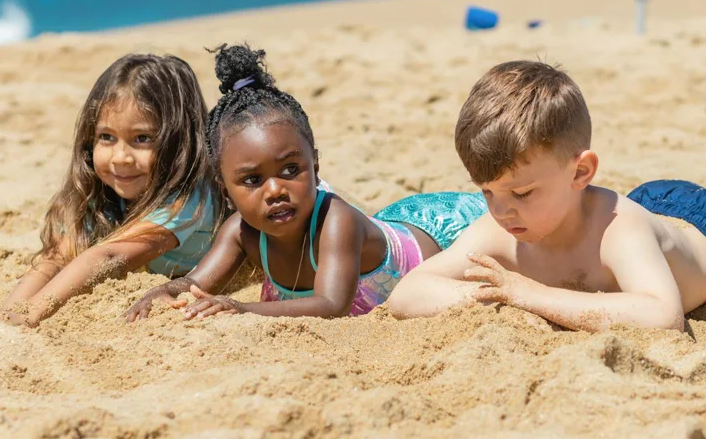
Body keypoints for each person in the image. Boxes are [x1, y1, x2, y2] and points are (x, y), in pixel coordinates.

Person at [387, 60, 706, 331]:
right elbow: (408, 294)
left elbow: (662, 317)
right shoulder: (498, 227)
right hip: (653, 211)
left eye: (521, 192)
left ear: (580, 171)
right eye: (486, 193)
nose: (502, 210)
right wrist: (496, 300)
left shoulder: (620, 231)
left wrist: (528, 296)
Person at [125, 44, 487, 321]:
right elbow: (195, 284)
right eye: (252, 179)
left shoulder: (335, 220)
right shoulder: (241, 232)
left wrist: (240, 308)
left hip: (444, 231)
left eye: (290, 170)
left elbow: (331, 304)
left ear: (315, 163)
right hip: (393, 221)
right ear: (224, 189)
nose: (275, 190)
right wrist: (165, 291)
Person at [0, 53, 219, 326]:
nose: (121, 157)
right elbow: (55, 259)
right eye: (107, 137)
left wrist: (31, 315)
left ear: (179, 143)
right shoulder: (103, 193)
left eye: (142, 138)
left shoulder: (188, 198)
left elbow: (111, 255)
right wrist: (10, 311)